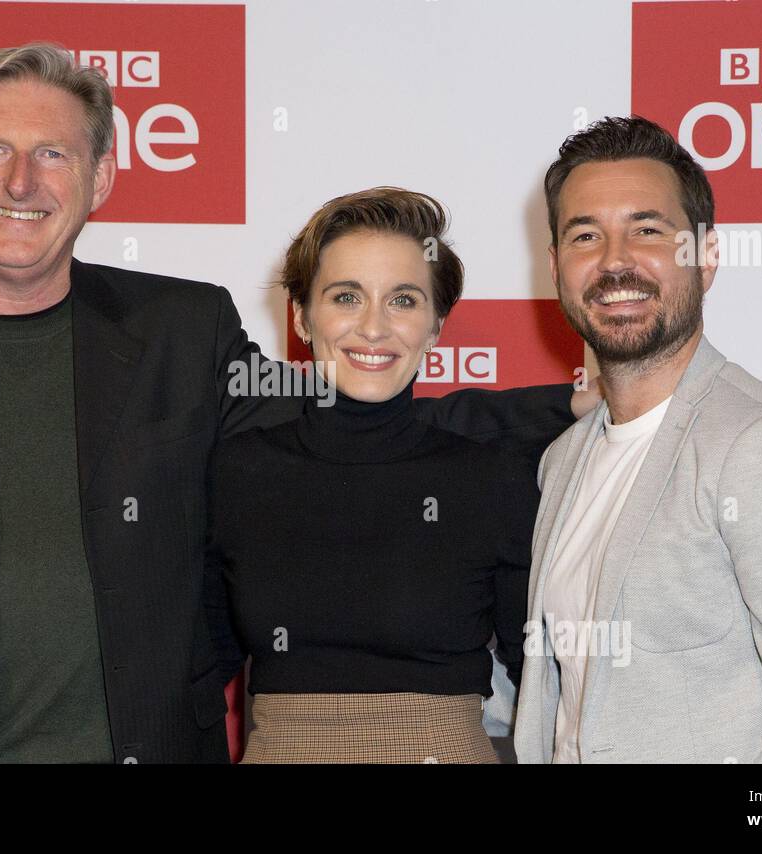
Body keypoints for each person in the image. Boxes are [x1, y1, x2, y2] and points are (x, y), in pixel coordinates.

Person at [0, 43, 588, 763]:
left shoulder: (181, 330)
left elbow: (344, 415)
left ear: (102, 177)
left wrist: (586, 402)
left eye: (54, 154)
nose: (21, 181)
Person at [514, 115, 762, 763]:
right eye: (584, 235)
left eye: (648, 229)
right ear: (555, 266)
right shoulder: (563, 459)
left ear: (707, 255)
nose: (615, 261)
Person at [204, 188, 579, 763]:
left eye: (403, 300)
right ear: (302, 316)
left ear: (436, 325)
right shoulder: (237, 473)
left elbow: (544, 685)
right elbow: (195, 672)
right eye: (346, 297)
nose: (373, 327)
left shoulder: (494, 479)